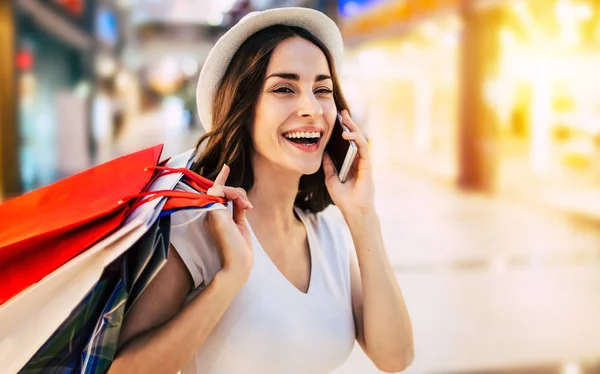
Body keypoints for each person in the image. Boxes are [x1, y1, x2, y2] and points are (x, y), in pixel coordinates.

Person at [108, 7, 413, 374]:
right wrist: (229, 279)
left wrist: (363, 216)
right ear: (244, 107)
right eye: (284, 89)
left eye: (322, 90)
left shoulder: (328, 236)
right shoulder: (196, 232)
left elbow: (395, 357)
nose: (311, 108)